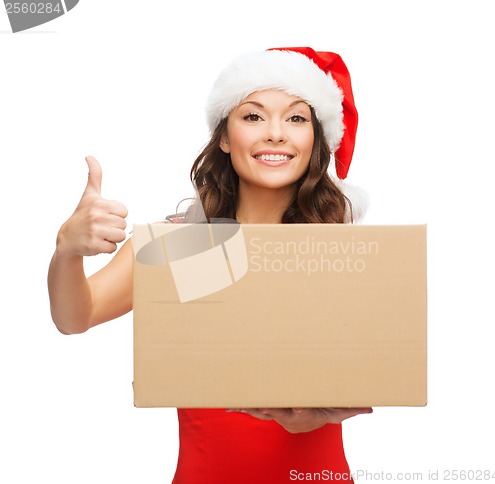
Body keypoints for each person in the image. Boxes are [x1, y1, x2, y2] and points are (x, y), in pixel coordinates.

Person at [48, 47, 372, 483]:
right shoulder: (178, 244)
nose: (275, 134)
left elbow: (372, 370)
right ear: (224, 136)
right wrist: (66, 251)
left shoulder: (344, 252)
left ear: (315, 138)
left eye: (296, 118)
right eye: (253, 116)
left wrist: (325, 411)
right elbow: (76, 316)